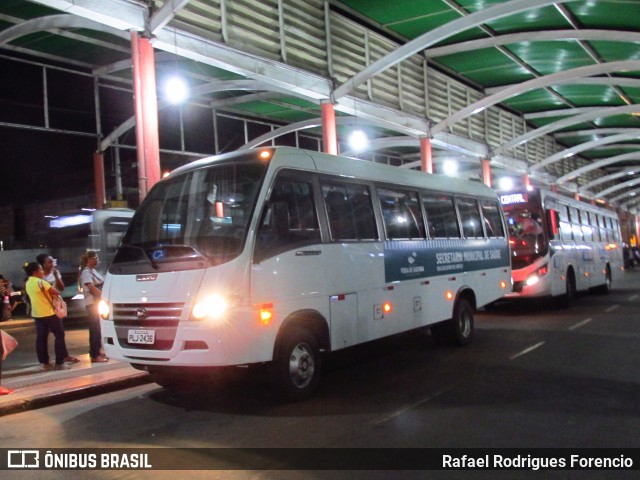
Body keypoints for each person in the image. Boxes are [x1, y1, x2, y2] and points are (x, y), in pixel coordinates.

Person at [23, 262, 76, 371]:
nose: (42, 271)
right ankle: (59, 363)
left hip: (37, 314)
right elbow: (56, 293)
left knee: (41, 338)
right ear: (35, 272)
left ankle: (45, 363)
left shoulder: (28, 283)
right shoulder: (41, 282)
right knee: (59, 335)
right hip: (49, 313)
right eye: (41, 270)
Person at [79, 251, 108, 363]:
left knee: (98, 328)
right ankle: (95, 355)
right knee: (95, 329)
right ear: (89, 259)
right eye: (95, 258)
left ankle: (97, 351)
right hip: (93, 303)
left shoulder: (92, 271)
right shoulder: (86, 272)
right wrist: (103, 297)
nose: (97, 260)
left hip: (97, 303)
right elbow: (91, 288)